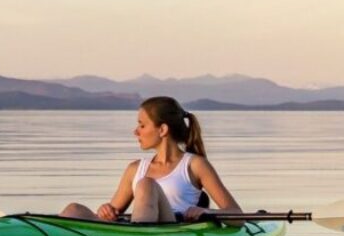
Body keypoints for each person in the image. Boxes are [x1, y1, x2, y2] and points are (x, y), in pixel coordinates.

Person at [60, 96, 243, 224]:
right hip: (136, 230)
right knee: (74, 209)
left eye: (142, 125)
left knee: (146, 184)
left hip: (171, 232)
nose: (136, 131)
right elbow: (112, 213)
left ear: (162, 130)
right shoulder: (134, 169)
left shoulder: (195, 165)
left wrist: (206, 211)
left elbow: (237, 216)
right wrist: (106, 210)